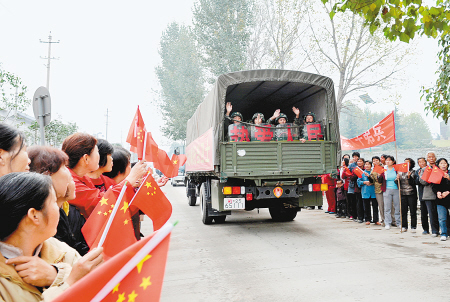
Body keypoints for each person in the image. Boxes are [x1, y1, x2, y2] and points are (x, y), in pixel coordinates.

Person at [0, 172, 103, 301]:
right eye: (54, 201)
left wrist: (56, 274)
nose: (59, 208)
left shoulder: (59, 249)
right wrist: (69, 283)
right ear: (34, 215)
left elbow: (100, 287)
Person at [62, 133, 147, 218]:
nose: (100, 157)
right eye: (97, 152)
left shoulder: (82, 178)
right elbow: (100, 203)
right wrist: (129, 180)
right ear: (86, 158)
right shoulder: (67, 181)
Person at [28, 146, 89, 256]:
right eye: (64, 167)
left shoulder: (64, 211)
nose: (69, 174)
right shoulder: (38, 219)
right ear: (47, 174)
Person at [419, 151, 440, 237]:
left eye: (433, 157)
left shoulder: (439, 168)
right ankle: (434, 230)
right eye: (429, 157)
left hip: (440, 193)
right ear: (427, 159)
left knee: (441, 214)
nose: (431, 158)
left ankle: (444, 230)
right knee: (431, 214)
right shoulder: (424, 169)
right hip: (429, 194)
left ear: (436, 158)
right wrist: (431, 178)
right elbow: (422, 181)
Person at [380, 155, 400, 230]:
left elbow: (401, 180)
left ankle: (398, 222)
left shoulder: (396, 169)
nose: (387, 162)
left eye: (389, 160)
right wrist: (379, 175)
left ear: (393, 161)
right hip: (387, 189)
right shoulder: (384, 169)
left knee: (397, 207)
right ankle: (387, 223)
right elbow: (380, 181)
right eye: (386, 160)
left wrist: (398, 177)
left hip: (396, 189)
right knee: (387, 207)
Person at [432, 158, 450, 241]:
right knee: (442, 218)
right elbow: (434, 186)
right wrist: (438, 192)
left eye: (445, 163)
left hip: (449, 196)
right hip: (441, 199)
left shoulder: (449, 173)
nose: (443, 164)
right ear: (438, 165)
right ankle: (444, 233)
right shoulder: (436, 174)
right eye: (441, 163)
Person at [357, 160, 380, 225]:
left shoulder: (373, 172)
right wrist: (364, 182)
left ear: (371, 165)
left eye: (368, 164)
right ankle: (367, 219)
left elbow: (376, 180)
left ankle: (376, 220)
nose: (367, 166)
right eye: (366, 164)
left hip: (373, 191)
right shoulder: (362, 173)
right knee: (366, 206)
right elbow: (358, 182)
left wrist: (371, 182)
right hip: (365, 191)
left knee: (375, 206)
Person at [398, 158, 418, 232]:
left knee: (413, 211)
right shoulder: (400, 172)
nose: (406, 164)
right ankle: (404, 226)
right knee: (403, 211)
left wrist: (409, 177)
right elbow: (398, 184)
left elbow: (414, 183)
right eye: (405, 162)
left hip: (411, 193)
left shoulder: (413, 172)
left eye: (408, 163)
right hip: (402, 193)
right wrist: (397, 179)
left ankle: (413, 226)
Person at [416, 157, 430, 235]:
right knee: (424, 213)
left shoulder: (429, 169)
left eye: (423, 161)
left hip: (430, 194)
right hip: (422, 194)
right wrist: (419, 176)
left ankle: (435, 228)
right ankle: (425, 229)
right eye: (419, 162)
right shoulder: (418, 171)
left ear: (426, 162)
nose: (421, 163)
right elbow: (416, 182)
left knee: (432, 213)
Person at [371, 156, 385, 226]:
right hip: (377, 188)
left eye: (377, 160)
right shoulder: (372, 170)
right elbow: (372, 181)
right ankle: (383, 219)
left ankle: (392, 219)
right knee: (381, 205)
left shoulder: (384, 167)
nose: (375, 162)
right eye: (374, 161)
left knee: (389, 204)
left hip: (385, 187)